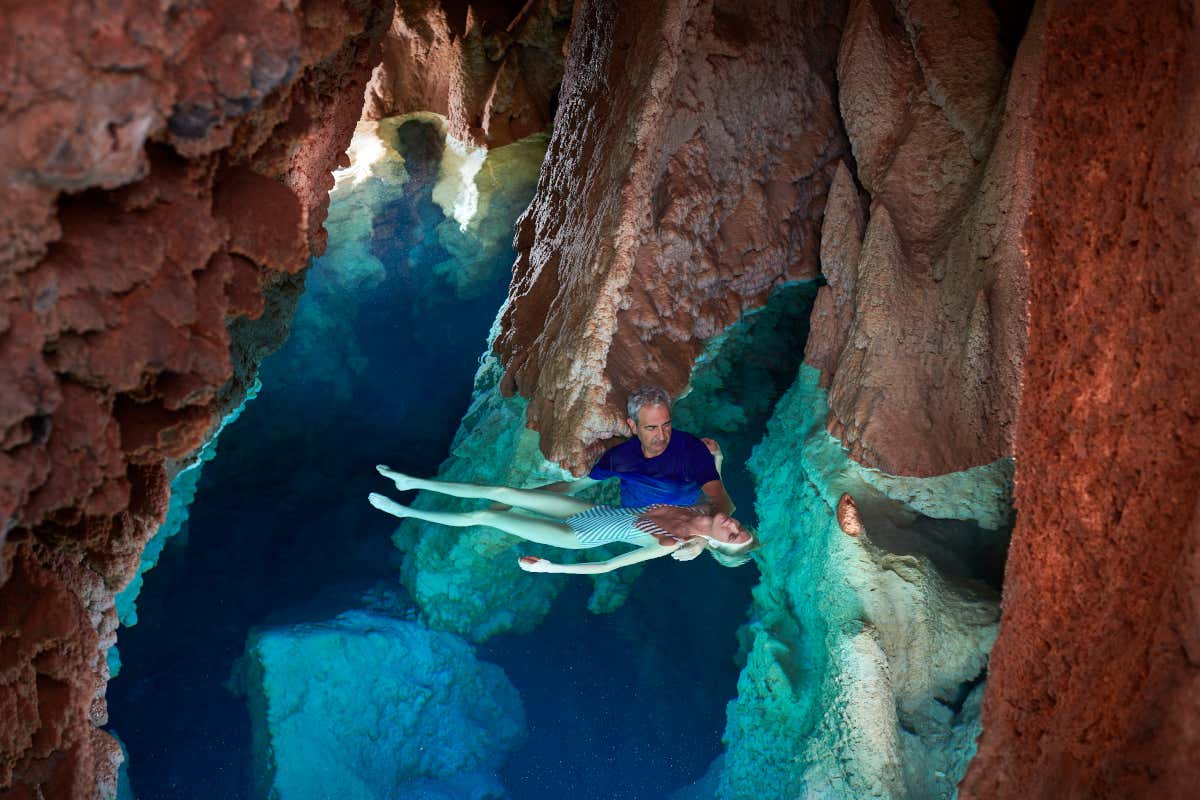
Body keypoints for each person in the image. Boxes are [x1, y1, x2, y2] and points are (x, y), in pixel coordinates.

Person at [368, 465, 758, 574]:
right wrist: (716, 458)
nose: (734, 527)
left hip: (574, 536)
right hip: (590, 512)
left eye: (733, 536)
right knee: (503, 492)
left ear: (718, 545)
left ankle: (405, 510)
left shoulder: (669, 544)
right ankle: (411, 481)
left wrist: (551, 568)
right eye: (741, 529)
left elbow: (606, 566)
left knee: (486, 516)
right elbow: (715, 480)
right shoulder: (707, 508)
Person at [538, 386, 735, 515]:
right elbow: (573, 486)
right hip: (634, 517)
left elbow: (724, 504)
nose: (662, 435)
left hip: (683, 518)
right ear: (633, 426)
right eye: (651, 427)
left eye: (666, 425)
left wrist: (700, 539)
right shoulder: (619, 458)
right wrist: (527, 495)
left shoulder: (692, 450)